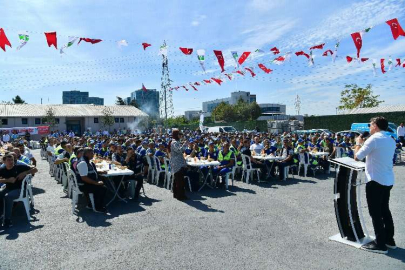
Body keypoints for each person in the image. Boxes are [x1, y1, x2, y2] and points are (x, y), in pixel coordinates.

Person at [354, 116, 396, 254]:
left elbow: (357, 156)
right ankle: (389, 240)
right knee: (385, 210)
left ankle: (380, 244)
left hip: (375, 181)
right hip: (388, 179)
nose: (369, 127)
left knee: (375, 213)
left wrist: (358, 143)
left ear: (376, 126)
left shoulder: (373, 139)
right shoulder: (390, 139)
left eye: (370, 125)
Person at [0, 153, 38, 228]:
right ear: (4, 162)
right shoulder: (2, 169)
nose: (11, 162)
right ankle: (1, 215)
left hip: (20, 189)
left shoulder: (20, 167)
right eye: (8, 160)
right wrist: (7, 180)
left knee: (8, 197)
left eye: (12, 160)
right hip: (8, 188)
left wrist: (25, 172)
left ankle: (7, 219)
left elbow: (35, 169)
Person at [76, 148, 108, 213]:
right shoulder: (83, 163)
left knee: (104, 183)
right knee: (102, 188)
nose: (93, 154)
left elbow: (90, 172)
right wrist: (96, 183)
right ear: (87, 154)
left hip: (88, 183)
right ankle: (97, 207)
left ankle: (91, 204)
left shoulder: (87, 161)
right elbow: (84, 178)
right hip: (83, 185)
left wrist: (101, 172)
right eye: (92, 153)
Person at [168, 129, 188, 200]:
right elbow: (180, 150)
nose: (180, 136)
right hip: (177, 164)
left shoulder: (175, 142)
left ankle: (176, 194)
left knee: (177, 179)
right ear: (176, 135)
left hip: (177, 162)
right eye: (179, 134)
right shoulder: (174, 142)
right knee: (180, 180)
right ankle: (180, 195)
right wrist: (185, 144)